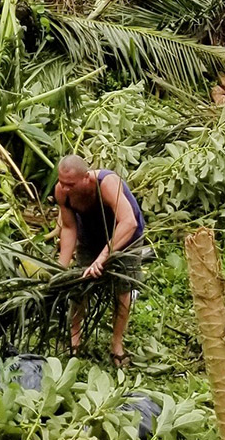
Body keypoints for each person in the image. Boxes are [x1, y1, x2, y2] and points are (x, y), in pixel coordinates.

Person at [54, 155, 146, 366]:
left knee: (122, 289)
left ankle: (117, 346)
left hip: (125, 236)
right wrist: (60, 268)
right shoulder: (62, 192)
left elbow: (129, 222)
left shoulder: (106, 183)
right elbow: (68, 228)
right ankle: (74, 341)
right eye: (61, 182)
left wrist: (103, 257)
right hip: (91, 236)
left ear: (86, 178)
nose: (65, 188)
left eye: (71, 184)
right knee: (79, 285)